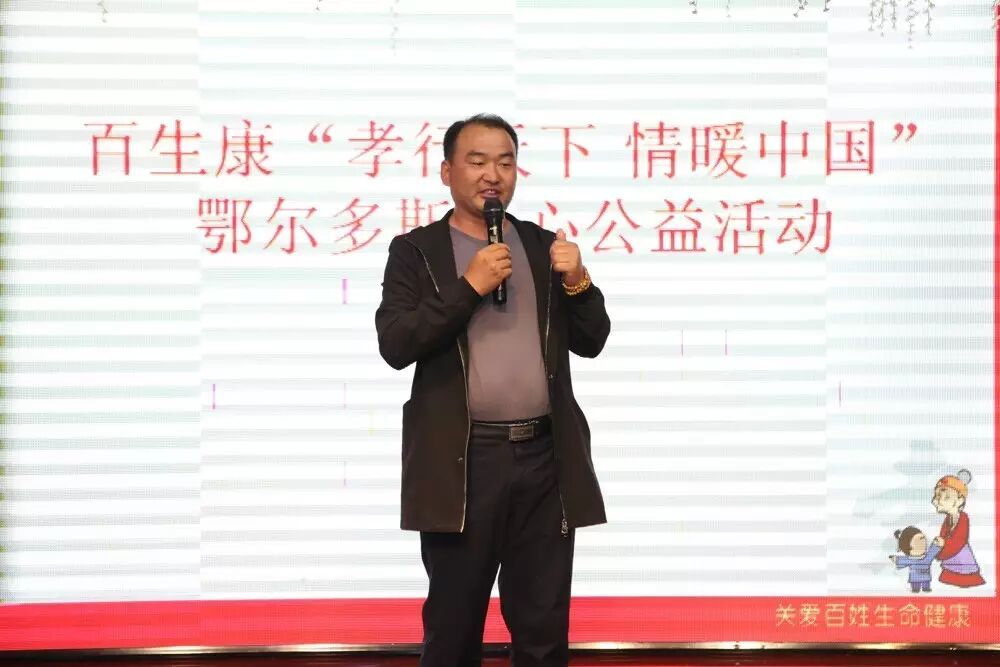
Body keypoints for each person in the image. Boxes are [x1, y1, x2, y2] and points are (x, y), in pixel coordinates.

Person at [375, 113, 611, 667]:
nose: (492, 175)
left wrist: (579, 282)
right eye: (477, 161)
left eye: (505, 162)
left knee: (543, 629)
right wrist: (469, 286)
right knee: (453, 630)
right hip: (464, 463)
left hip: (544, 460)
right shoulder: (416, 251)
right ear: (446, 171)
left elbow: (593, 340)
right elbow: (396, 342)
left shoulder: (542, 245)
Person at [931, 469, 986, 587]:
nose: (937, 501)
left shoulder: (963, 518)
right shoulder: (948, 519)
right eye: (937, 496)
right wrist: (939, 547)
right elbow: (943, 535)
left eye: (946, 497)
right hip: (950, 556)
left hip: (961, 557)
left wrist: (943, 546)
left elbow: (959, 540)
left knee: (963, 579)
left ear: (960, 500)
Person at [889, 525, 941, 593]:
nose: (923, 546)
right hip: (915, 577)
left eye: (923, 544)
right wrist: (895, 559)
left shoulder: (927, 557)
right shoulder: (911, 560)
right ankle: (916, 589)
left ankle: (926, 588)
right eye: (918, 545)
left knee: (926, 584)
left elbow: (932, 551)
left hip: (926, 576)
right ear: (909, 548)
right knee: (915, 585)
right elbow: (902, 560)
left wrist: (936, 544)